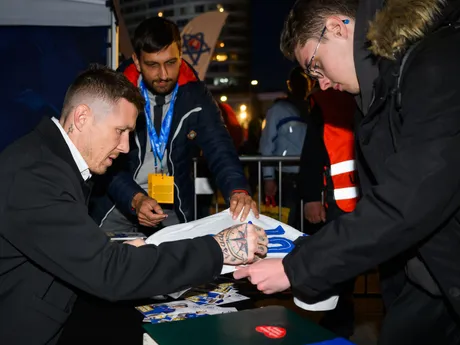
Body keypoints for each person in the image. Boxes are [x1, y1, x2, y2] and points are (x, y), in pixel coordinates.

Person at [234, 0, 460, 344]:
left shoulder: (438, 63)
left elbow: (408, 198)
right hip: (427, 277)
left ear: (339, 28)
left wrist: (296, 268)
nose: (321, 84)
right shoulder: (377, 92)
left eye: (317, 66)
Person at [0, 64, 268, 345]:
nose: (126, 146)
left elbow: (63, 247)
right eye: (120, 131)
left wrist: (112, 251)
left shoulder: (48, 160)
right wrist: (219, 248)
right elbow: (110, 273)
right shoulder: (36, 176)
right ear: (82, 118)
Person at [90, 17, 257, 233]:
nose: (163, 75)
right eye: (152, 65)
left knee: (181, 261)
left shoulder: (196, 96)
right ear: (137, 62)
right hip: (116, 204)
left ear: (180, 57)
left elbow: (220, 147)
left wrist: (238, 190)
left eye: (171, 62)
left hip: (172, 205)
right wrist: (135, 198)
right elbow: (104, 160)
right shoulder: (113, 96)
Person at [299, 87, 358, 338]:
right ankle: (338, 321)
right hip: (340, 202)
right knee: (340, 263)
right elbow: (313, 151)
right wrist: (312, 197)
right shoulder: (327, 102)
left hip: (370, 198)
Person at [259, 66, 313, 228]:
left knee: (308, 224)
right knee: (288, 223)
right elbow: (267, 143)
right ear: (290, 84)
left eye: (305, 82)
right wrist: (269, 178)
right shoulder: (279, 110)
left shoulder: (313, 109)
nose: (302, 87)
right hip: (286, 177)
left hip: (308, 176)